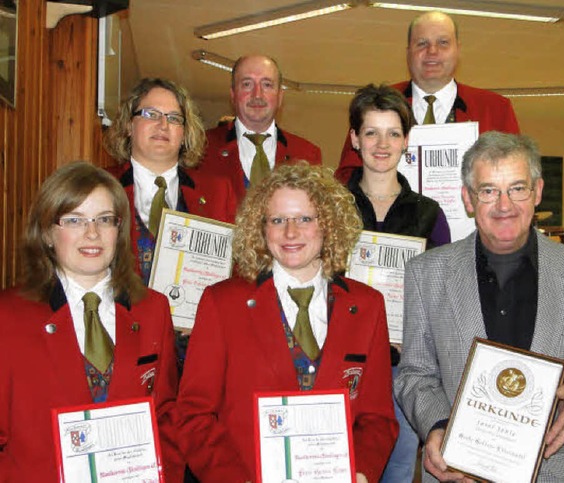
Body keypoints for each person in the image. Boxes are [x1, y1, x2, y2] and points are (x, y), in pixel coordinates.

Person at [395, 132, 564, 482]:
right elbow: (415, 374)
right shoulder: (426, 273)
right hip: (458, 469)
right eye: (488, 190)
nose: (504, 205)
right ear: (468, 200)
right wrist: (440, 427)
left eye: (517, 188)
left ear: (536, 192)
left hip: (557, 468)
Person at [177, 163, 398, 482]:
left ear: (328, 224)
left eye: (305, 219)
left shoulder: (367, 306)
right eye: (277, 220)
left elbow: (377, 418)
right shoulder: (222, 303)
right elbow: (194, 416)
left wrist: (362, 472)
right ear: (261, 228)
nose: (290, 233)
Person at [0, 162, 182, 482]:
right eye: (75, 220)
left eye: (104, 220)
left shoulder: (152, 310)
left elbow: (165, 419)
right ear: (47, 232)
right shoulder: (8, 317)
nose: (93, 233)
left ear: (119, 230)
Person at [347, 83, 450, 482]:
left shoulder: (429, 214)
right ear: (355, 138)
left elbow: (442, 296)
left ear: (407, 140)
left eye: (393, 133)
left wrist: (417, 337)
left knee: (397, 469)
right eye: (371, 132)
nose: (382, 143)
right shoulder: (329, 206)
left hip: (402, 369)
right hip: (342, 365)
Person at [336, 11, 520, 184]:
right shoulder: (374, 105)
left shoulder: (496, 109)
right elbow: (348, 178)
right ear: (408, 52)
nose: (432, 51)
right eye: (422, 43)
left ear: (458, 50)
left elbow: (516, 176)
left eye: (443, 43)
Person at [105, 77, 236, 285]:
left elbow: (233, 271)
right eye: (151, 114)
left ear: (184, 134)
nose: (163, 125)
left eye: (174, 118)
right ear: (129, 125)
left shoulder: (218, 192)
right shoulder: (98, 188)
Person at [197, 54, 322, 207]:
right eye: (247, 84)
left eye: (267, 85)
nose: (257, 95)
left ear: (280, 96)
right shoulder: (201, 149)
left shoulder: (307, 155)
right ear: (233, 94)